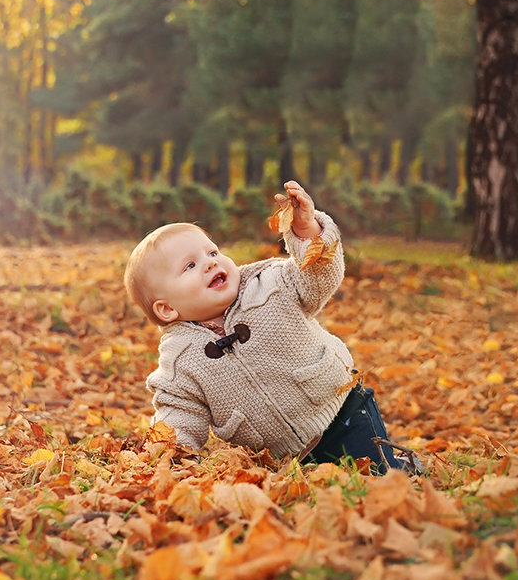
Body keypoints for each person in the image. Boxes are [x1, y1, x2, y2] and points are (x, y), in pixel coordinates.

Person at [124, 181, 414, 474]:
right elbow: (179, 412)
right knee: (317, 502)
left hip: (343, 408)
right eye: (190, 266)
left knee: (380, 477)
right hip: (284, 458)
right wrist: (169, 455)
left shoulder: (269, 283)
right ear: (167, 308)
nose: (210, 264)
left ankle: (405, 468)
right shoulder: (180, 359)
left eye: (212, 253)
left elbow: (316, 278)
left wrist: (307, 233)